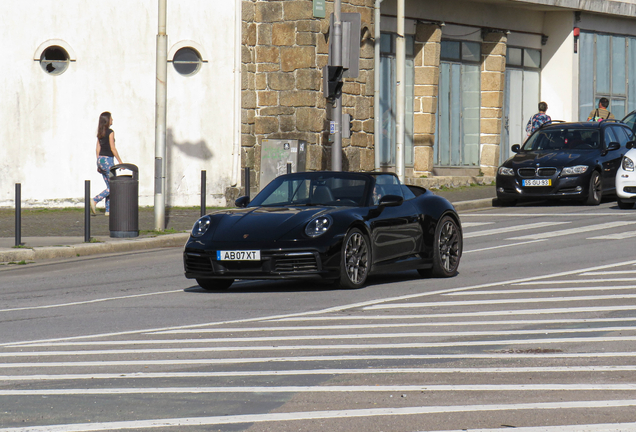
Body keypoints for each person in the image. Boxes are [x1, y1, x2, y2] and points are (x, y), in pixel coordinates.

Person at [90, 112, 123, 216]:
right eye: (111, 118)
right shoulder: (110, 132)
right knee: (113, 186)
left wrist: (98, 162)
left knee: (109, 185)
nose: (112, 120)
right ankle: (95, 200)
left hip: (100, 160)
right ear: (107, 120)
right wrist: (120, 162)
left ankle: (108, 210)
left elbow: (97, 148)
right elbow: (112, 148)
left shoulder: (100, 132)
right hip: (108, 160)